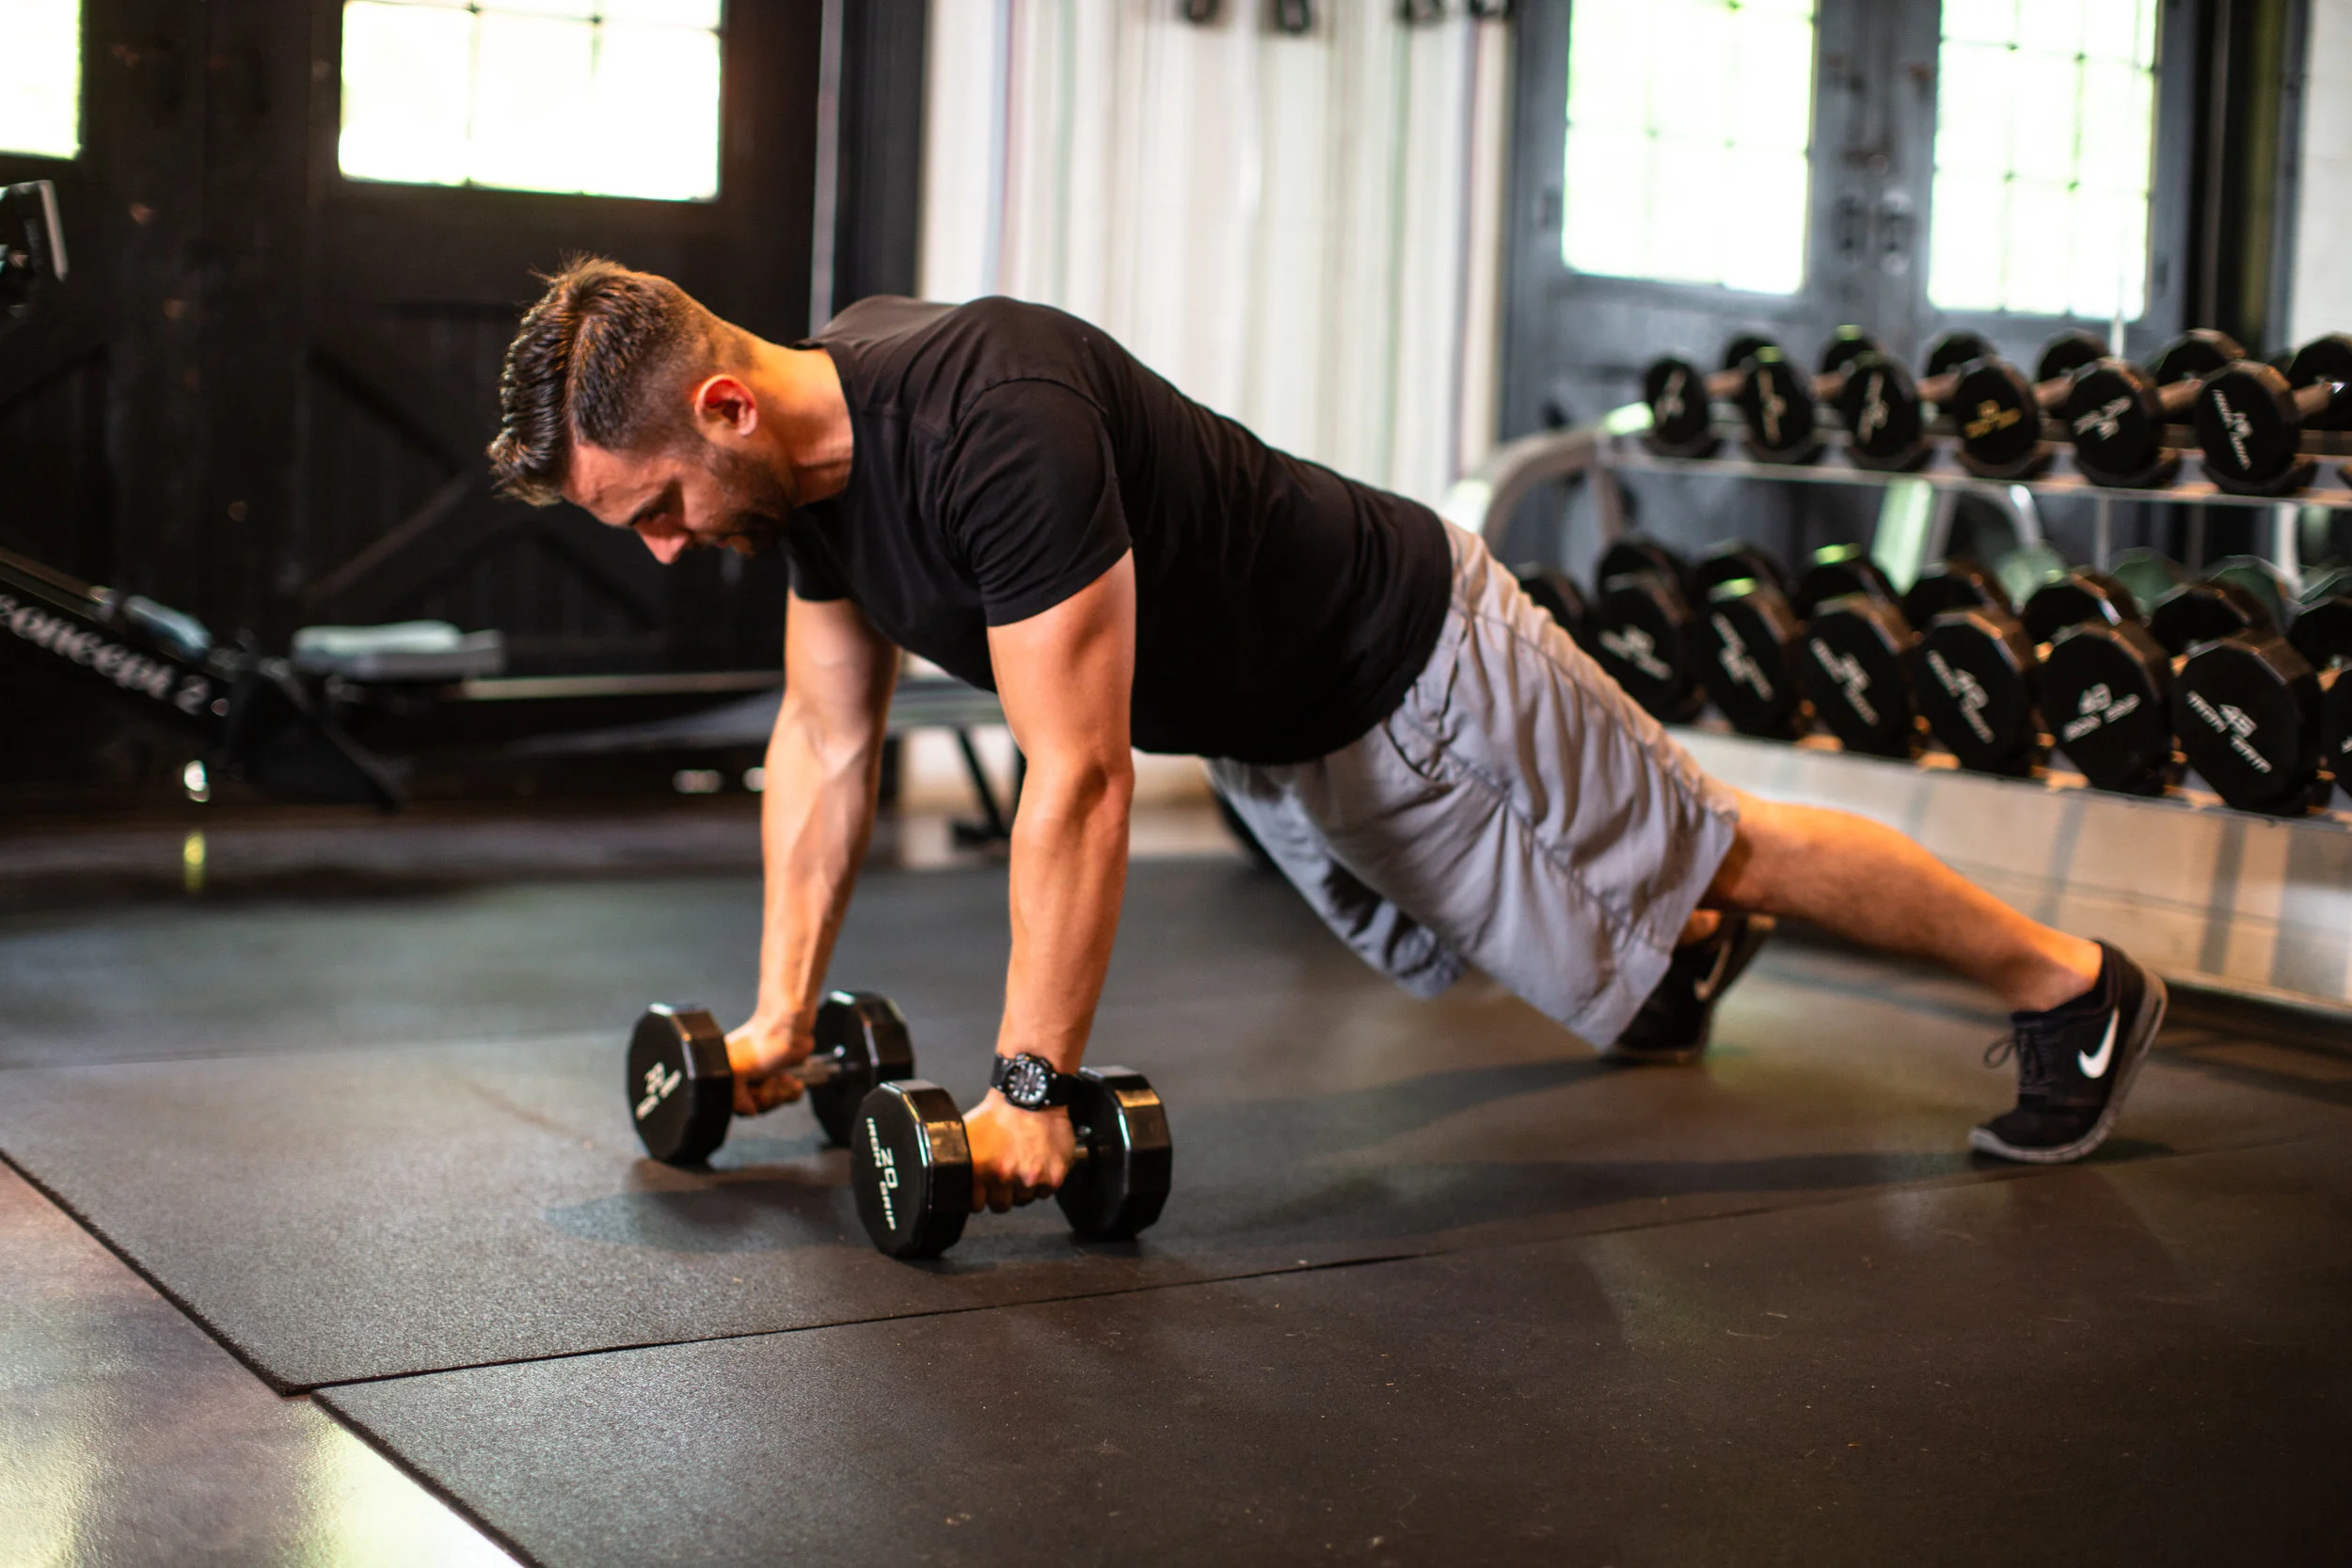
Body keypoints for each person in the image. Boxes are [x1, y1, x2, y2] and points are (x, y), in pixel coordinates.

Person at [487, 260, 2168, 1212]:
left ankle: (2075, 988)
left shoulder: (990, 420)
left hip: (1416, 652)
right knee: (1587, 948)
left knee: (1721, 845)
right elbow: (824, 739)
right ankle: (1683, 951)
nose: (664, 548)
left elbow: (1079, 775)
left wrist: (1027, 1085)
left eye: (656, 508)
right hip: (1284, 731)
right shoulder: (800, 486)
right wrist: (783, 1016)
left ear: (725, 406)